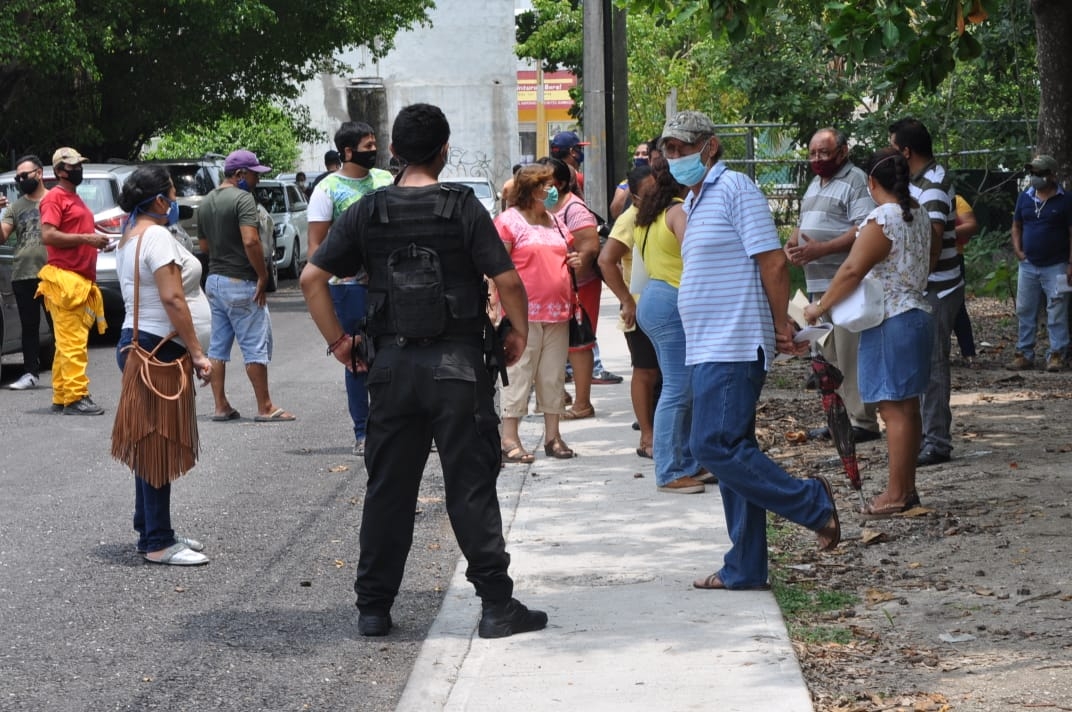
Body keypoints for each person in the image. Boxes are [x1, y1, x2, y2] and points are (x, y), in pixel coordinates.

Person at [300, 103, 547, 639]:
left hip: (389, 369)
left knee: (389, 487)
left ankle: (374, 608)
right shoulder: (461, 209)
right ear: (444, 150)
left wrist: (340, 343)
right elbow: (506, 281)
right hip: (457, 368)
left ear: (393, 151)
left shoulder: (368, 210)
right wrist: (518, 332)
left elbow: (311, 277)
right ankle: (496, 606)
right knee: (470, 484)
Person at [659, 110, 839, 590]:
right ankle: (745, 567)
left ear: (710, 147)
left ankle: (812, 503)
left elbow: (773, 263)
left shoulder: (736, 188)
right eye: (669, 149)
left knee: (711, 444)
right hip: (706, 345)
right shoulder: (695, 201)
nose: (674, 156)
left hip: (734, 341)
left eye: (682, 147)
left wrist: (781, 322)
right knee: (733, 447)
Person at [804, 148, 935, 517]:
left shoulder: (882, 218)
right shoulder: (919, 215)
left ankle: (895, 494)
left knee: (893, 411)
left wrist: (819, 306)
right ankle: (906, 489)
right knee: (907, 408)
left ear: (871, 183)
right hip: (916, 314)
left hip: (890, 320)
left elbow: (851, 270)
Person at [114, 166, 213, 565]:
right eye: (173, 195)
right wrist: (198, 353)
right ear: (159, 200)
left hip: (139, 345)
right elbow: (173, 299)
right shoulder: (155, 235)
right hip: (159, 349)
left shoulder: (131, 234)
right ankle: (157, 541)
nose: (175, 202)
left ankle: (153, 529)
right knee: (156, 447)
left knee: (148, 443)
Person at [784, 128, 880, 443]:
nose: (817, 159)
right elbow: (805, 223)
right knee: (826, 355)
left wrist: (821, 249)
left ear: (842, 151)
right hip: (817, 285)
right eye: (812, 153)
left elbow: (863, 229)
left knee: (849, 356)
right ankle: (838, 418)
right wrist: (792, 243)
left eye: (824, 153)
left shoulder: (855, 180)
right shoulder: (815, 182)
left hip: (845, 283)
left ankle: (862, 422)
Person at [307, 121, 394, 456]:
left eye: (375, 144)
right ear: (347, 151)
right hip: (347, 287)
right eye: (367, 145)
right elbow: (315, 247)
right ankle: (363, 431)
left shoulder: (386, 181)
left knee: (394, 356)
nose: (374, 150)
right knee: (359, 357)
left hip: (388, 284)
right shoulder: (327, 190)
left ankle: (395, 425)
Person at [198, 149, 295, 422]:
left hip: (215, 281)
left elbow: (204, 246)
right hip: (241, 281)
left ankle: (220, 405)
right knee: (254, 345)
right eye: (254, 174)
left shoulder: (206, 202)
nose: (257, 180)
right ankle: (265, 407)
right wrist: (262, 276)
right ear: (240, 174)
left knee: (218, 347)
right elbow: (251, 241)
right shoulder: (243, 199)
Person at [889, 118, 961, 466]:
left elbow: (932, 242)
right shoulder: (916, 183)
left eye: (892, 147)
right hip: (925, 287)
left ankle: (936, 442)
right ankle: (922, 437)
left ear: (906, 151)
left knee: (932, 364)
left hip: (938, 288)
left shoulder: (932, 185)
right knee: (921, 362)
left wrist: (916, 281)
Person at [494, 163, 576, 462]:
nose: (552, 191)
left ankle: (553, 437)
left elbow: (567, 252)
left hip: (558, 312)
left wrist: (575, 260)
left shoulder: (554, 222)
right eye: (546, 186)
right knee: (518, 374)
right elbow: (496, 267)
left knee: (552, 376)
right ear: (531, 189)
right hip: (522, 315)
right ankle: (509, 438)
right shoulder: (508, 222)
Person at [37, 147, 111, 415]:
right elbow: (48, 235)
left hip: (79, 278)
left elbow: (76, 233)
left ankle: (62, 395)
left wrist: (96, 242)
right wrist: (86, 239)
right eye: (72, 166)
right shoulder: (54, 198)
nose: (77, 169)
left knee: (66, 342)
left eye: (79, 164)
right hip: (65, 280)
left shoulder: (74, 198)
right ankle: (76, 397)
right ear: (59, 171)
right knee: (73, 343)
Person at [599, 164, 660, 461]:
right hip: (640, 312)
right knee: (646, 372)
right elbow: (606, 261)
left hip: (669, 309)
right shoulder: (629, 220)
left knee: (668, 376)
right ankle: (647, 435)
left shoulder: (671, 213)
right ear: (634, 197)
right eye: (647, 194)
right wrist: (626, 300)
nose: (654, 197)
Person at [1008, 154, 1072, 372]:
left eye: (1040, 173)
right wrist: (1018, 250)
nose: (1035, 177)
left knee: (1057, 310)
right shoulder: (1024, 197)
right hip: (1028, 265)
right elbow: (1016, 225)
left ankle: (1057, 354)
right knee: (1025, 309)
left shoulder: (1065, 200)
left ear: (1052, 175)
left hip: (1057, 265)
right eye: (1032, 172)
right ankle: (1024, 353)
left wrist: (1071, 263)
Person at [1, 155, 51, 390]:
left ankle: (67, 373)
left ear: (39, 174)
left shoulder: (55, 199)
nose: (21, 180)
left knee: (60, 325)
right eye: (17, 177)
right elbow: (2, 235)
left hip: (53, 273)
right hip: (23, 273)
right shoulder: (16, 206)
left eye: (25, 175)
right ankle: (30, 373)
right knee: (29, 326)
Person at [952, 195, 980, 366]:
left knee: (957, 306)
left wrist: (945, 231)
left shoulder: (955, 200)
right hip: (919, 258)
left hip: (953, 256)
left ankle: (968, 352)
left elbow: (971, 225)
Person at [608, 142, 650, 220]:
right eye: (637, 154)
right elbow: (614, 213)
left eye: (644, 154)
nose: (640, 157)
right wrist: (632, 182)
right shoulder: (624, 184)